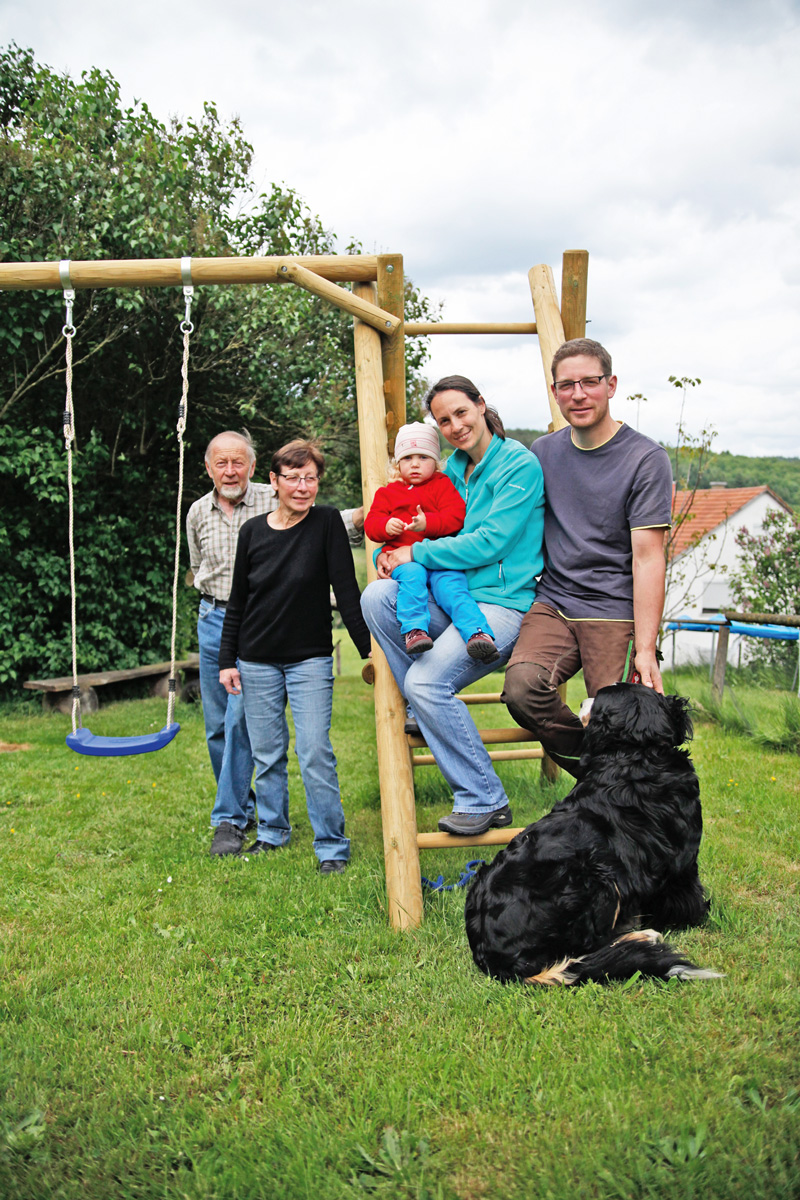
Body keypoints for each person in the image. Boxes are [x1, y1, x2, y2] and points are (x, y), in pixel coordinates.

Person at [361, 376, 545, 836]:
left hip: (502, 604)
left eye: (461, 412)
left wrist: (415, 553)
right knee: (377, 596)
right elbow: (427, 528)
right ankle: (423, 706)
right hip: (452, 592)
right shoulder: (452, 471)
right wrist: (395, 552)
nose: (455, 425)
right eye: (444, 420)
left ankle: (484, 796)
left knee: (425, 683)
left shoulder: (518, 465)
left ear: (481, 406)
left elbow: (490, 541)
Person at [186, 430, 363, 857]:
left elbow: (348, 588)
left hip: (309, 657)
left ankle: (331, 845)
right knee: (260, 750)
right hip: (251, 653)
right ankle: (269, 832)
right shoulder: (244, 529)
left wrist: (370, 649)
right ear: (275, 480)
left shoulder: (324, 523)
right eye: (294, 478)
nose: (302, 486)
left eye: (310, 478)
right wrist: (229, 658)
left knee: (315, 751)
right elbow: (237, 599)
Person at [502, 337, 673, 778]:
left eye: (589, 382)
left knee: (624, 719)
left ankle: (630, 807)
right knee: (522, 689)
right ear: (555, 392)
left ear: (611, 385)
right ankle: (598, 770)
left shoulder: (645, 459)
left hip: (614, 609)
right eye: (566, 385)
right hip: (554, 602)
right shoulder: (542, 452)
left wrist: (647, 648)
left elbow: (649, 557)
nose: (578, 394)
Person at [364, 420, 498, 661]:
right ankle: (415, 631)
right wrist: (385, 526)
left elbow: (456, 517)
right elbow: (371, 525)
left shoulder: (442, 485)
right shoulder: (387, 493)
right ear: (398, 463)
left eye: (423, 458)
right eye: (407, 458)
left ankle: (478, 634)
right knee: (412, 579)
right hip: (405, 560)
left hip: (440, 558)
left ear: (436, 462)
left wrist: (429, 524)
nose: (415, 464)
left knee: (453, 589)